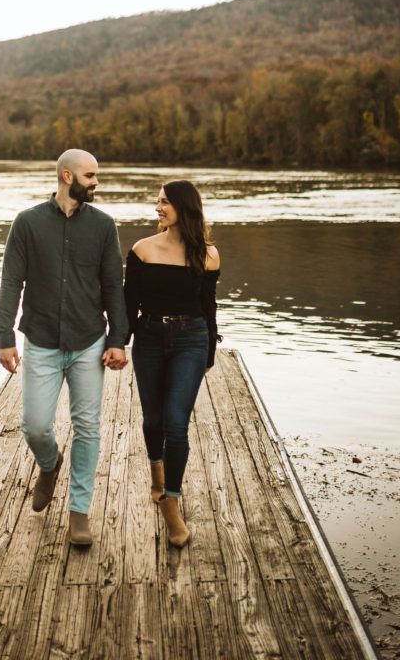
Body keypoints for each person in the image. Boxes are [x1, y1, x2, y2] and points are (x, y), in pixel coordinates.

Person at [0, 149, 129, 547]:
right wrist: (5, 336)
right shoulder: (27, 223)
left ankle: (79, 513)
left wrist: (119, 339)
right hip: (41, 341)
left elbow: (113, 287)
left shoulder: (104, 226)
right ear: (67, 176)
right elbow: (10, 282)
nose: (96, 183)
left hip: (89, 341)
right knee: (34, 425)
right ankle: (50, 465)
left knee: (87, 428)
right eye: (91, 176)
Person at [124, 179, 220, 547]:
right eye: (157, 202)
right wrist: (119, 343)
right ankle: (156, 473)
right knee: (154, 420)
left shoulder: (208, 254)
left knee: (177, 425)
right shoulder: (143, 250)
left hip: (191, 340)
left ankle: (171, 504)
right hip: (148, 338)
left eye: (164, 202)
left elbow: (209, 307)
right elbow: (129, 304)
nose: (157, 208)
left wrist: (208, 351)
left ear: (184, 207)